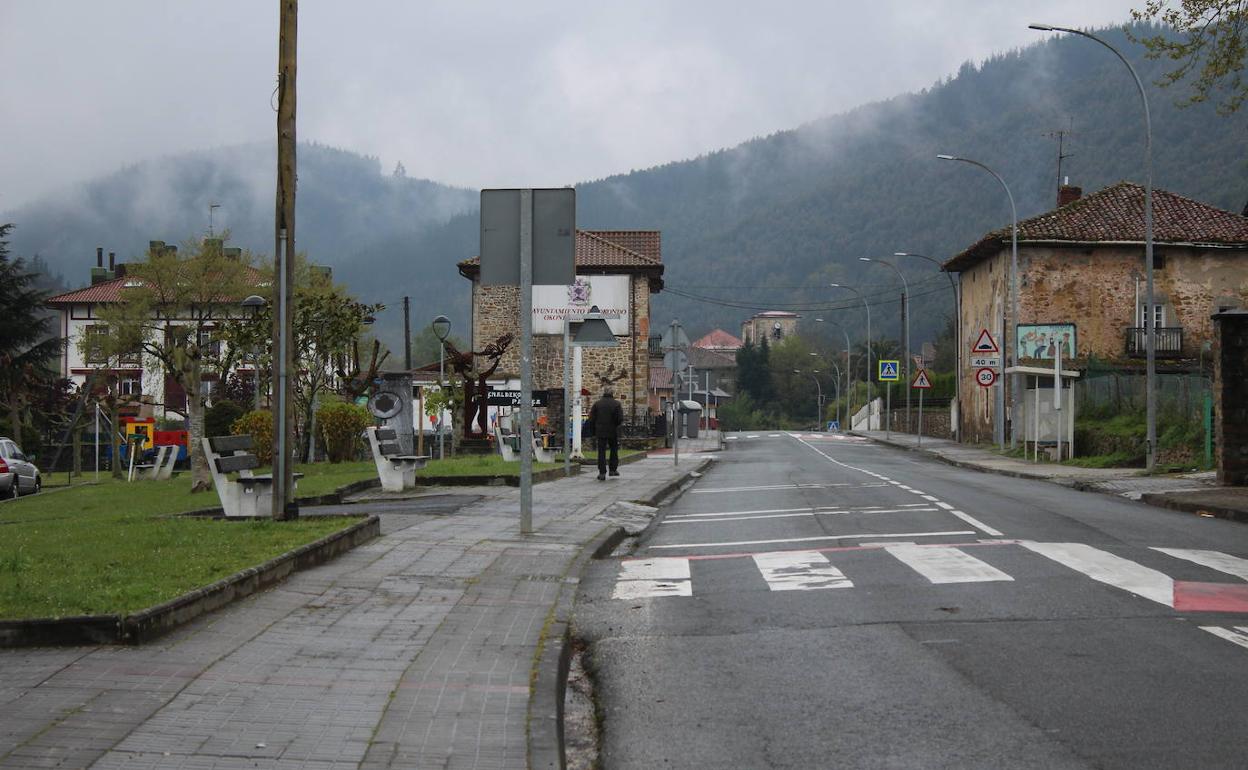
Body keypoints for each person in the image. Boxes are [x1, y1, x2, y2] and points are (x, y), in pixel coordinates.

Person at [588, 386, 623, 480]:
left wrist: (593, 430)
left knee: (601, 451)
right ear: (612, 393)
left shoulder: (597, 404)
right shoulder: (616, 404)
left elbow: (591, 419)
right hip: (613, 430)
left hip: (600, 430)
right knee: (614, 450)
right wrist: (615, 425)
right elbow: (619, 419)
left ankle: (602, 472)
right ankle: (613, 470)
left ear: (604, 393)